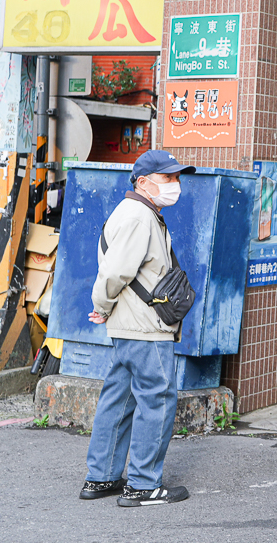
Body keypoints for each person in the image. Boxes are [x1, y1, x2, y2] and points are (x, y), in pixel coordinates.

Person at [81, 149, 196, 507]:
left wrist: (106, 308)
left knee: (120, 397)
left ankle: (102, 477)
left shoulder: (138, 211)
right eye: (167, 178)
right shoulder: (139, 217)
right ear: (143, 182)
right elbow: (115, 272)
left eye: (177, 178)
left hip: (129, 325)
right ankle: (143, 484)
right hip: (144, 327)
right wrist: (100, 305)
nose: (175, 185)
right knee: (157, 397)